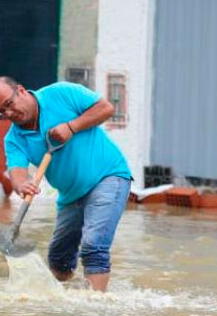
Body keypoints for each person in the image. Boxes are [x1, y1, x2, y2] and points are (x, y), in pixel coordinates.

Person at [0, 77, 131, 292]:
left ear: (21, 91)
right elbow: (17, 173)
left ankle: (96, 307)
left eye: (8, 104)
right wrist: (22, 186)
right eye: (2, 112)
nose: (9, 114)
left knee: (93, 244)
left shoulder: (61, 93)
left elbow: (106, 108)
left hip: (108, 177)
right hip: (70, 195)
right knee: (59, 258)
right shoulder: (14, 139)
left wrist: (72, 127)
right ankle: (63, 309)